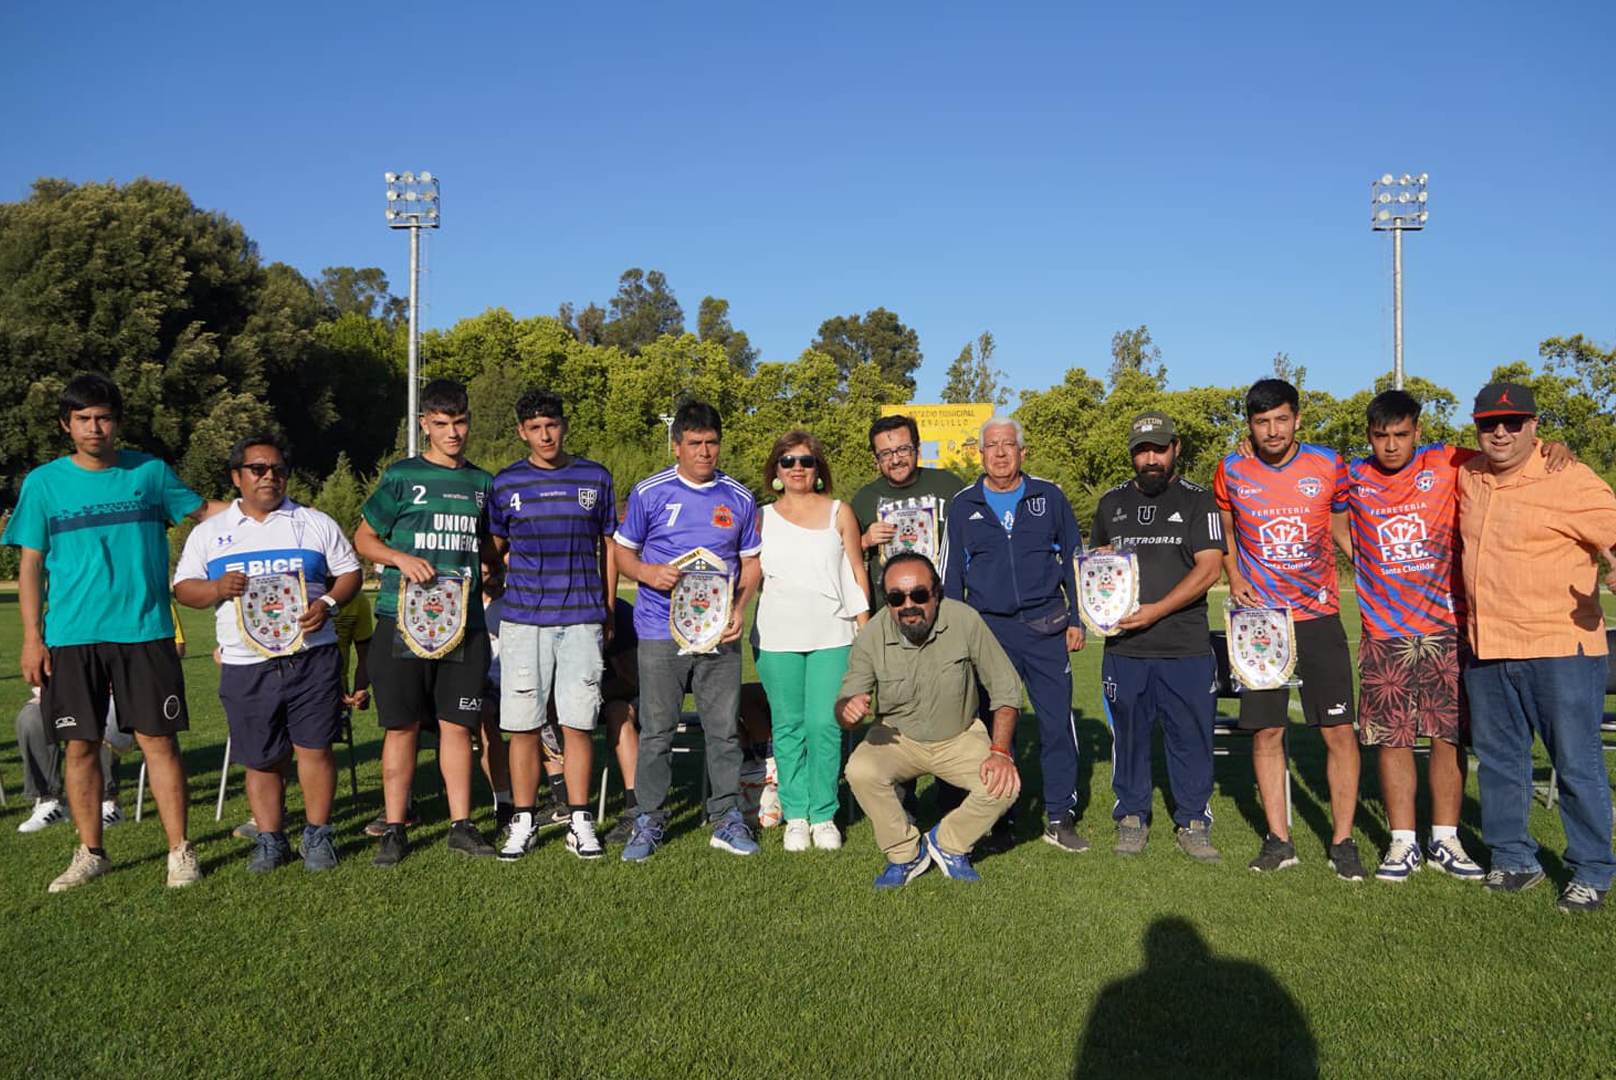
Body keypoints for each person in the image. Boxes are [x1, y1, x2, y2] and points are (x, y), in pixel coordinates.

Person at [3, 373, 228, 892]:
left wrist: (271, 514)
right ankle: (91, 852)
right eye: (83, 418)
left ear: (118, 422)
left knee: (159, 743)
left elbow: (207, 513)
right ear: (66, 425)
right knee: (80, 748)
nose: (94, 427)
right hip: (71, 637)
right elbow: (31, 567)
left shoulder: (149, 472)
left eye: (103, 417)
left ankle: (180, 851)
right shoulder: (42, 483)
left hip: (144, 630)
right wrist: (32, 639)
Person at [1457, 382, 1616, 913]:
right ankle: (1513, 859)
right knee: (1501, 761)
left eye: (1514, 422)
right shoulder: (1468, 471)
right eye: (1488, 423)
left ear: (1534, 427)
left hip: (1559, 646)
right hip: (1489, 643)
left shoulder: (1566, 475)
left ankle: (1591, 870)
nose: (1500, 432)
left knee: (1575, 763)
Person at [1334, 390, 1503, 883]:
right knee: (1393, 739)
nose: (1391, 445)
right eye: (1381, 436)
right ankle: (1402, 842)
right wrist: (1359, 557)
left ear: (1418, 432)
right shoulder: (1352, 474)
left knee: (1446, 738)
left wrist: (1555, 449)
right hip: (1384, 631)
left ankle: (1445, 838)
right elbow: (1328, 511)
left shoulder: (1448, 460)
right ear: (1368, 436)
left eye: (1401, 435)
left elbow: (1507, 456)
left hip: (1445, 630)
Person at [173, 432, 362, 873]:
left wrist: (328, 603)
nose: (269, 477)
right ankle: (271, 839)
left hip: (312, 656)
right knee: (260, 757)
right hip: (246, 662)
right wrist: (218, 588)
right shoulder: (210, 533)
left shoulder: (314, 521)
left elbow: (349, 574)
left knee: (315, 748)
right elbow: (184, 589)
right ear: (237, 477)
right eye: (258, 469)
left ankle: (317, 836)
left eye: (278, 469)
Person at [1214, 377, 1365, 879]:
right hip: (1261, 622)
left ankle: (1343, 842)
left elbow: (1342, 524)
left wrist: (1371, 566)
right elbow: (1226, 528)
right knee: (1266, 731)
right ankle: (1279, 840)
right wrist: (1234, 575)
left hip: (1319, 615)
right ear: (1250, 426)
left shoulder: (1328, 463)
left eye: (1281, 419)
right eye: (1261, 422)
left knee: (1339, 730)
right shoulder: (1232, 467)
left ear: (1297, 419)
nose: (1272, 430)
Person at [354, 377, 497, 866]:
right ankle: (395, 828)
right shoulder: (400, 476)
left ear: (468, 421)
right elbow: (364, 539)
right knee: (403, 727)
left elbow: (490, 548)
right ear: (424, 425)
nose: (452, 432)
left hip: (464, 623)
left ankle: (462, 825)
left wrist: (492, 569)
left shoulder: (483, 483)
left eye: (459, 422)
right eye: (441, 424)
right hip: (402, 619)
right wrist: (399, 558)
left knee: (459, 725)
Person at [612, 400, 762, 862]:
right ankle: (649, 820)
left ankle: (726, 817)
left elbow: (751, 562)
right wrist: (647, 574)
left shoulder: (737, 496)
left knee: (722, 730)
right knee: (657, 729)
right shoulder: (650, 492)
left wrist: (739, 607)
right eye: (694, 443)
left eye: (711, 443)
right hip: (660, 630)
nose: (704, 452)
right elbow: (622, 554)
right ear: (676, 445)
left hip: (718, 632)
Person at [942, 415, 1088, 852]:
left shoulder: (1050, 495)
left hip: (1047, 627)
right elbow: (951, 576)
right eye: (992, 446)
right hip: (989, 634)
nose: (1000, 453)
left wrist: (1078, 618)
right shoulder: (963, 504)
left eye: (1009, 445)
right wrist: (956, 635)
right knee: (992, 729)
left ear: (1023, 452)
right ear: (981, 454)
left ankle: (1060, 816)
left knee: (1056, 724)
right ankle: (998, 815)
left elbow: (1074, 562)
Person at [486, 388, 617, 860]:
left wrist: (604, 608)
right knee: (523, 726)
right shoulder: (505, 484)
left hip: (582, 619)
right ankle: (522, 820)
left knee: (578, 723)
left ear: (564, 425)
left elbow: (610, 549)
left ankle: (580, 819)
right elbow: (493, 550)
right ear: (522, 432)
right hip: (523, 622)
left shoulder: (595, 478)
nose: (545, 435)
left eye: (552, 425)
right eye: (535, 428)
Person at [838, 552, 1023, 887]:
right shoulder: (871, 635)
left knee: (1005, 786)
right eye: (896, 598)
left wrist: (999, 751)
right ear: (888, 601)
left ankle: (947, 843)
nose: (908, 605)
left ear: (936, 593)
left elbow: (1006, 688)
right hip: (898, 737)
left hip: (959, 736)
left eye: (919, 595)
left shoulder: (965, 620)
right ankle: (905, 854)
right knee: (860, 769)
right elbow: (846, 703)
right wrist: (847, 711)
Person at [1089, 411, 1225, 862]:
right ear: (1132, 453)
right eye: (1142, 450)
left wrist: (1157, 612)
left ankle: (1192, 820)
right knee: (1127, 735)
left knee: (1190, 735)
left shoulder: (1198, 500)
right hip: (1126, 649)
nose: (1150, 458)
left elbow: (1209, 569)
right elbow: (1098, 568)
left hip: (1183, 645)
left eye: (1159, 449)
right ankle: (1131, 815)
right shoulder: (1110, 503)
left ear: (1176, 449)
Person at [754, 430, 870, 852]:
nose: (798, 468)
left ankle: (824, 815)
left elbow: (856, 571)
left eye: (806, 460)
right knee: (788, 727)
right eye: (788, 461)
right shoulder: (759, 516)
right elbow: (749, 574)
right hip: (776, 637)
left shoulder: (841, 511)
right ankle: (795, 815)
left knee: (825, 724)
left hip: (834, 633)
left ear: (818, 469)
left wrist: (865, 625)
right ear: (776, 471)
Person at [850, 414, 964, 611]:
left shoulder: (949, 485)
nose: (895, 460)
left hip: (945, 607)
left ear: (918, 449)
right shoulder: (864, 498)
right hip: (889, 611)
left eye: (903, 449)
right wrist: (865, 541)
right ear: (875, 458)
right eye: (885, 453)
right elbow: (841, 557)